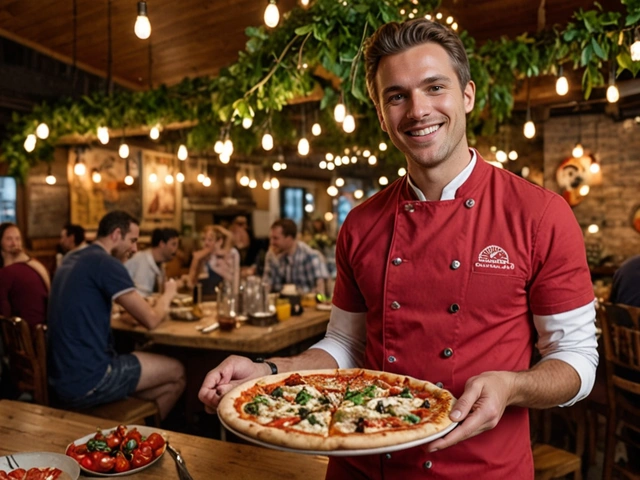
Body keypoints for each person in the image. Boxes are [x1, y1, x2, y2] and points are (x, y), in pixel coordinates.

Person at [199, 19, 599, 479]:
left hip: (481, 467)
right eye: (397, 96)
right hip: (362, 462)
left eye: (434, 88)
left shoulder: (540, 214)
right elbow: (346, 344)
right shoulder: (361, 222)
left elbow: (576, 359)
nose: (417, 110)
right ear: (382, 112)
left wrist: (512, 386)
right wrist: (270, 370)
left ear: (466, 96)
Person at [47, 211, 185, 419]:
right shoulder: (105, 263)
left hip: (60, 376)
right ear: (116, 234)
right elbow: (151, 320)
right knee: (177, 371)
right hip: (90, 379)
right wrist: (168, 293)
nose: (135, 249)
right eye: (132, 240)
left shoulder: (72, 257)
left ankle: (136, 432)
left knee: (155, 383)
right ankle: (145, 444)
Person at [0, 223, 49, 331]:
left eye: (17, 239)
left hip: (26, 334)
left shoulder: (6, 272)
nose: (14, 243)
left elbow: (4, 314)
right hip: (42, 331)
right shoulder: (33, 263)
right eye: (9, 239)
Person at [262, 218, 328, 295]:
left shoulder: (310, 255)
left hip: (306, 304)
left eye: (275, 238)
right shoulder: (271, 255)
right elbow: (266, 287)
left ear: (289, 238)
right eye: (271, 238)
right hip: (282, 304)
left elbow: (320, 291)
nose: (272, 242)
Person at [187, 225, 240, 299]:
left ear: (219, 242)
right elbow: (190, 284)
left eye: (210, 240)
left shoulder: (229, 255)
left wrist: (217, 228)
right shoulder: (200, 257)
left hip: (222, 299)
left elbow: (230, 236)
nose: (206, 243)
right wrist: (196, 260)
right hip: (203, 300)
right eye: (204, 239)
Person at [125, 227, 180, 297]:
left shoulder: (160, 265)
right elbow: (142, 295)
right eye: (173, 244)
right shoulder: (142, 261)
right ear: (162, 244)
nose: (176, 249)